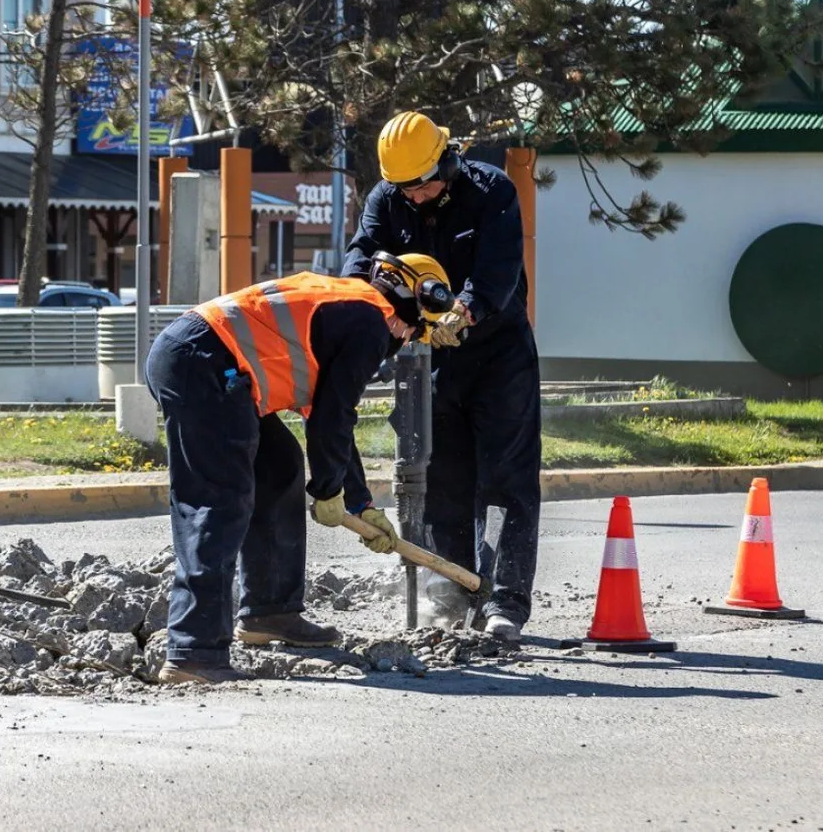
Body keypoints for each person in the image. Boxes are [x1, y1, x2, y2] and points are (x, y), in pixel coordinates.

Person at [144, 259, 439, 684]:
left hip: (207, 360)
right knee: (219, 501)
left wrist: (360, 503)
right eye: (415, 332)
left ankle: (270, 611)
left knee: (279, 467)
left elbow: (330, 421)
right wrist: (328, 492)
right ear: (410, 309)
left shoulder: (349, 304)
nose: (406, 341)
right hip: (204, 365)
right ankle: (194, 651)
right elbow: (333, 419)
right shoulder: (373, 323)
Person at [342, 110, 541, 642]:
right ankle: (449, 593)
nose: (415, 197)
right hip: (430, 361)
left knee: (504, 481)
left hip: (498, 354)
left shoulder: (490, 190)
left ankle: (503, 603)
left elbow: (499, 268)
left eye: (423, 186)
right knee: (442, 480)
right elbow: (363, 258)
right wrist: (361, 302)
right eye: (403, 188)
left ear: (447, 162)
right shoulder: (388, 199)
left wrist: (466, 310)